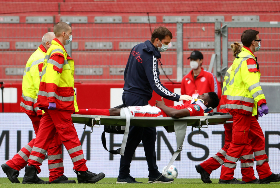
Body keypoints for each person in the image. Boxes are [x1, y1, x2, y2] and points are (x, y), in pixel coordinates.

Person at [22, 22, 105, 184]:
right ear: (64, 34)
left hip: (53, 102)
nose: (71, 36)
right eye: (70, 33)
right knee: (70, 136)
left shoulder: (52, 50)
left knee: (43, 137)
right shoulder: (58, 51)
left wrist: (49, 99)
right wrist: (52, 98)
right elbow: (53, 76)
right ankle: (82, 171)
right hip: (58, 103)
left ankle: (30, 172)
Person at [196, 41, 280, 184]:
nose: (259, 44)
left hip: (230, 108)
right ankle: (227, 176)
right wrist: (260, 103)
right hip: (237, 109)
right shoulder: (245, 62)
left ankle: (210, 168)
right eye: (258, 41)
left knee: (243, 142)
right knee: (239, 143)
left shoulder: (234, 65)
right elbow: (250, 86)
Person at [117, 26, 191, 184]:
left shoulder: (137, 48)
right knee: (134, 136)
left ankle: (153, 173)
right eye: (165, 42)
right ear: (157, 40)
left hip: (132, 95)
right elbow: (156, 85)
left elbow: (126, 71)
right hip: (137, 99)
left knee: (149, 134)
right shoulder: (150, 55)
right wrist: (178, 96)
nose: (167, 46)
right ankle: (123, 175)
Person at [1, 32, 75, 184]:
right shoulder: (43, 58)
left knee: (43, 140)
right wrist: (43, 107)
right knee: (49, 139)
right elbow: (41, 85)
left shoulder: (37, 56)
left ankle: (13, 165)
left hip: (33, 106)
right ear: (48, 44)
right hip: (39, 107)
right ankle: (54, 175)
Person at [77, 92, 219, 118]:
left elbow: (175, 114)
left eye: (202, 95)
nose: (199, 95)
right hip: (155, 112)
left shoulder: (197, 107)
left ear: (205, 102)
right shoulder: (198, 106)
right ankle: (79, 112)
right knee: (115, 111)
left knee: (115, 112)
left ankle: (77, 112)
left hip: (156, 113)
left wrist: (162, 105)